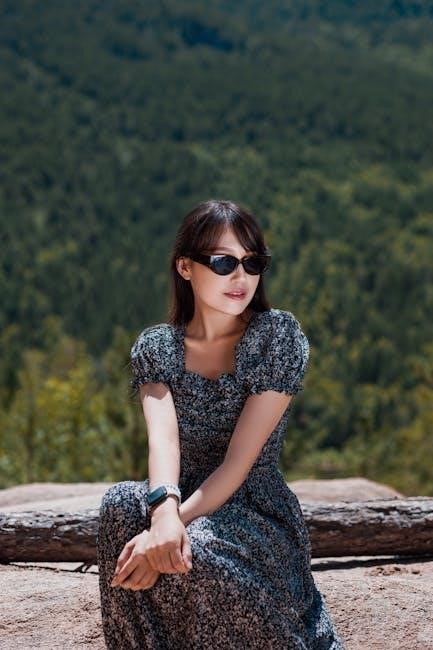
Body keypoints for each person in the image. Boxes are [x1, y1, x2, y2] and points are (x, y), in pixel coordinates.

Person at [97, 199, 345, 649]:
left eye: (253, 263)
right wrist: (163, 514)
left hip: (254, 509)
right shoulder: (157, 348)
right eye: (223, 262)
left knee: (199, 545)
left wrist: (166, 528)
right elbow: (164, 441)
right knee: (118, 505)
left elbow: (237, 464)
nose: (241, 277)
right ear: (185, 267)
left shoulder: (277, 338)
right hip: (178, 494)